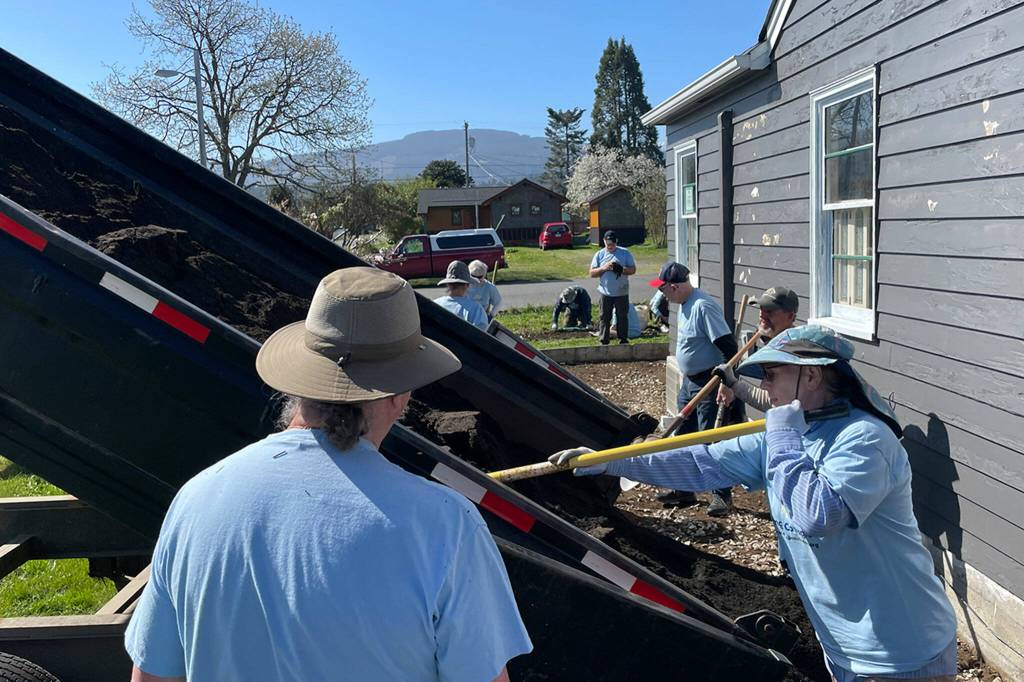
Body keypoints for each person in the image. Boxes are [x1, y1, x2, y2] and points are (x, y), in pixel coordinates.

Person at [125, 267, 532, 682]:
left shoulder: (197, 499)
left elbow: (151, 677)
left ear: (298, 380)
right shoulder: (446, 525)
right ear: (401, 391)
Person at [549, 325, 957, 682]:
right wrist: (606, 461)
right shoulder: (792, 436)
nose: (766, 387)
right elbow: (700, 462)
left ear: (811, 376)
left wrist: (781, 437)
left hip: (901, 651)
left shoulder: (865, 440)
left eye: (773, 374)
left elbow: (818, 514)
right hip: (841, 644)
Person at [649, 261, 738, 516]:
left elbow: (730, 349)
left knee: (709, 440)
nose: (663, 295)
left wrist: (726, 383)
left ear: (674, 287)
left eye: (664, 290)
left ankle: (722, 496)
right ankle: (684, 491)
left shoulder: (703, 306)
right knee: (684, 438)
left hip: (708, 383)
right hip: (690, 382)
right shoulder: (685, 304)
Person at [716, 286, 800, 413]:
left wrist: (733, 384)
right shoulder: (774, 343)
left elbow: (772, 402)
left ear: (791, 317)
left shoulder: (793, 352)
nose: (762, 314)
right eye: (761, 308)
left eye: (770, 310)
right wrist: (731, 383)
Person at [589, 231, 636, 345]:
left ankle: (623, 339)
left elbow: (633, 270)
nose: (611, 246)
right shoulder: (599, 254)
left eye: (613, 243)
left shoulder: (625, 253)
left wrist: (621, 269)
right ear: (604, 241)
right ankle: (604, 340)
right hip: (605, 292)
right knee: (604, 317)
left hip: (621, 291)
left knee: (622, 317)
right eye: (608, 243)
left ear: (616, 242)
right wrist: (604, 268)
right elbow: (592, 273)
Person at [434, 260, 489, 330]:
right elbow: (481, 336)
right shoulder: (476, 309)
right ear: (467, 285)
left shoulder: (435, 304)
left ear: (448, 284)